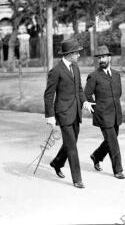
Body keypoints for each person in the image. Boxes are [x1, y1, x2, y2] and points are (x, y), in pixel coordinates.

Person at [44, 38, 95, 188]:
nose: (79, 55)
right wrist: (50, 116)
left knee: (70, 142)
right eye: (77, 53)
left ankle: (57, 162)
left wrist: (84, 101)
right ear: (69, 54)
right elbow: (48, 95)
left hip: (76, 112)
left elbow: (79, 89)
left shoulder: (76, 68)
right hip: (63, 113)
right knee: (72, 146)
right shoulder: (56, 71)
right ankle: (77, 179)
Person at [84, 45, 125, 179]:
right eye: (98, 58)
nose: (100, 60)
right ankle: (118, 170)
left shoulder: (116, 75)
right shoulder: (93, 76)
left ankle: (96, 156)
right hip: (102, 115)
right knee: (113, 142)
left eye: (103, 57)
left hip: (115, 114)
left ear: (109, 58)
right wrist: (96, 109)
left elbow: (118, 93)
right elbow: (87, 95)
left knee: (110, 140)